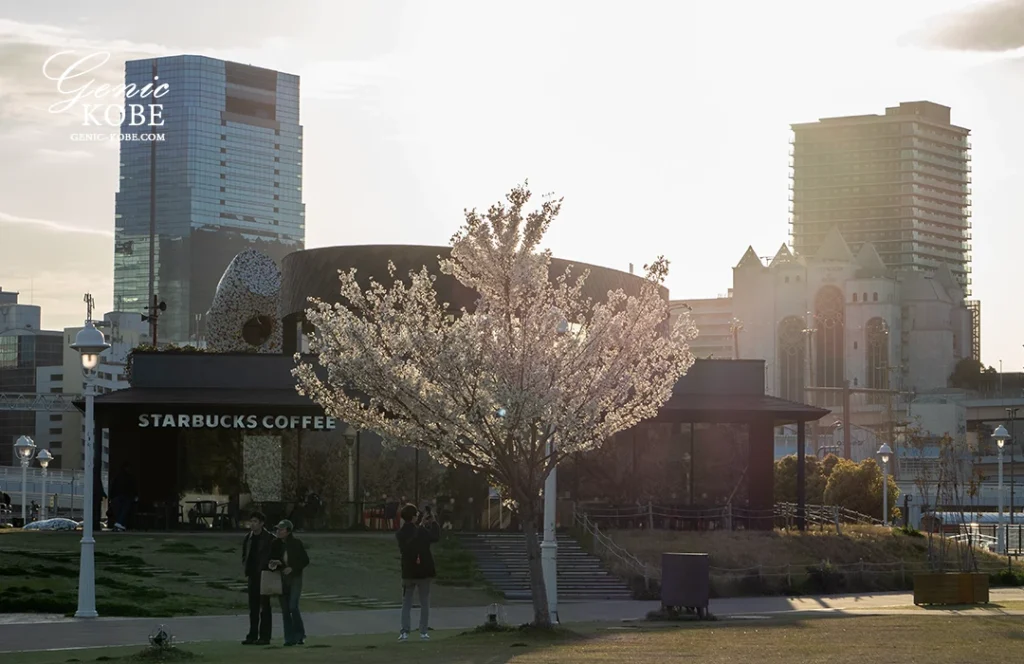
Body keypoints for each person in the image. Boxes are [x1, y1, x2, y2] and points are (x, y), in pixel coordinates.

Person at [396, 503, 440, 641]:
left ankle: (404, 631)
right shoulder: (421, 531)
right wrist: (432, 522)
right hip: (423, 571)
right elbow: (434, 537)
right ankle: (423, 631)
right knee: (424, 602)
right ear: (414, 517)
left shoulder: (400, 534)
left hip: (408, 571)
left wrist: (421, 524)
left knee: (406, 603)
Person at [268, 519, 310, 647]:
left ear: (288, 531)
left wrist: (292, 567)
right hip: (281, 578)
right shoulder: (275, 544)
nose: (278, 532)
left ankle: (299, 634)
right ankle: (289, 638)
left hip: (295, 578)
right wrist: (276, 563)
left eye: (281, 529)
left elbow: (304, 560)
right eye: (277, 529)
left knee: (293, 606)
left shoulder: (296, 543)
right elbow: (271, 558)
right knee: (285, 609)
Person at [241, 511, 274, 645]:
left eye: (255, 522)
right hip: (252, 575)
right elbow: (245, 554)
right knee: (253, 608)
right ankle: (252, 634)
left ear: (261, 523)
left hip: (264, 575)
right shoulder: (248, 538)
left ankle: (265, 636)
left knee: (264, 607)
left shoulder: (269, 538)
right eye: (251, 521)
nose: (252, 524)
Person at [108, 464, 137, 531]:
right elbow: (133, 487)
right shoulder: (130, 477)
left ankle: (119, 524)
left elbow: (113, 486)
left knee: (118, 511)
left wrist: (111, 497)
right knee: (124, 511)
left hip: (117, 496)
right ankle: (119, 523)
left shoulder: (117, 477)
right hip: (126, 496)